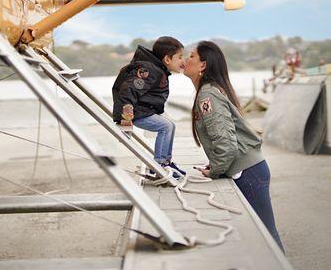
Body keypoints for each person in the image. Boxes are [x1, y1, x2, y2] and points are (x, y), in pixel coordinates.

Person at [183, 40, 284, 252]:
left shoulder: (207, 95)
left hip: (248, 172)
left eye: (191, 56)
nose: (185, 60)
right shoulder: (209, 91)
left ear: (203, 65)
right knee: (263, 233)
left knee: (265, 235)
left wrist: (215, 171)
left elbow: (226, 144)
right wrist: (216, 165)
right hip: (249, 169)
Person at [112, 36, 185, 177]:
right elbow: (128, 90)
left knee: (170, 125)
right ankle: (159, 165)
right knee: (166, 126)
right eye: (180, 57)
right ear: (167, 60)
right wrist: (126, 120)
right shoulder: (148, 71)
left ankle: (166, 162)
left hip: (143, 110)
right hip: (135, 113)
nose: (183, 61)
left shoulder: (156, 69)